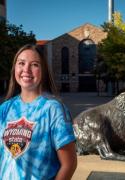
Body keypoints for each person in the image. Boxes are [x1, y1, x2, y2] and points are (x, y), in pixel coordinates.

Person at [0, 44, 77, 180]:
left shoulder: (53, 109)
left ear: (43, 70)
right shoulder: (5, 108)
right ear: (14, 68)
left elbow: (69, 164)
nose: (26, 70)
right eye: (21, 63)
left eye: (34, 64)